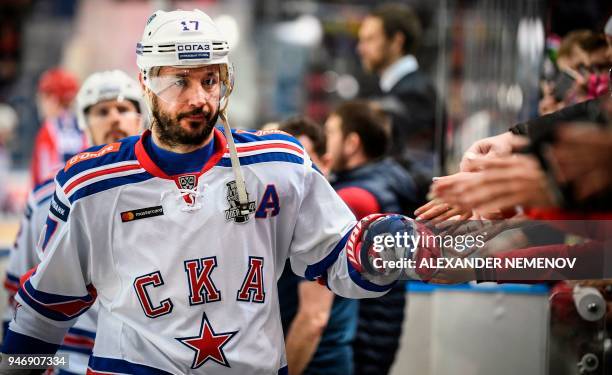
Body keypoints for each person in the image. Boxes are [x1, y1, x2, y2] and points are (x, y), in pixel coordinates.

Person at [1, 10, 418, 374]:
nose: (199, 98)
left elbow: (341, 266)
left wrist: (388, 252)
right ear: (146, 83)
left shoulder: (279, 165)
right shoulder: (90, 185)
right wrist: (18, 368)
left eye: (210, 79)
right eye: (179, 81)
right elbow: (42, 319)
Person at [2, 69, 144, 374]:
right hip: (68, 361)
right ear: (84, 122)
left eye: (123, 109)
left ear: (140, 118)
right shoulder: (47, 198)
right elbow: (18, 296)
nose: (114, 119)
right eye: (102, 111)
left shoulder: (168, 192)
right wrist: (24, 365)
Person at [324, 100, 419, 375]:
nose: (324, 140)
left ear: (352, 143)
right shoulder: (384, 182)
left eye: (330, 133)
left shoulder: (355, 197)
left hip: (359, 339)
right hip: (376, 333)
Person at [276, 116, 357, 375]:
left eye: (302, 160)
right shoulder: (283, 214)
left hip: (315, 364)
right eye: (282, 162)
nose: (293, 172)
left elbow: (313, 320)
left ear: (326, 163)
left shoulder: (322, 219)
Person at [357, 3, 441, 174]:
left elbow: (415, 170)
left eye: (370, 39)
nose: (360, 49)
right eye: (361, 40)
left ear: (397, 41)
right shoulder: (389, 89)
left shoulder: (416, 94)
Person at [31, 68, 87, 186]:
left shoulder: (49, 129)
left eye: (43, 97)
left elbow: (44, 180)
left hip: (53, 198)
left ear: (53, 99)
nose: (40, 103)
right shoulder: (84, 126)